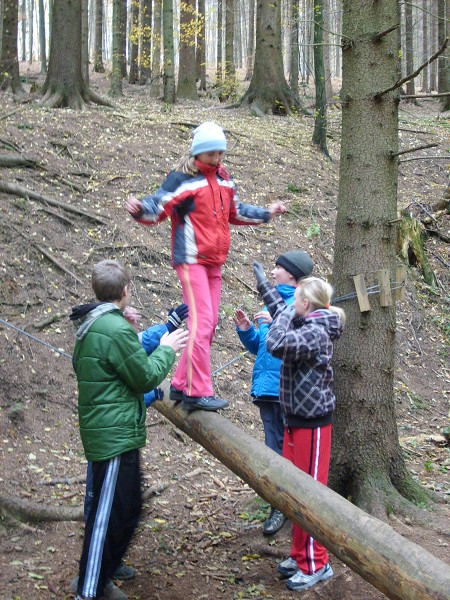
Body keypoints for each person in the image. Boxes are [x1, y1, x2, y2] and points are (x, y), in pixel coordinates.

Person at [125, 121, 286, 413]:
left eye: (220, 153)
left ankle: (179, 383)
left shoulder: (223, 179)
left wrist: (266, 213)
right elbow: (158, 205)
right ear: (198, 153)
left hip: (214, 262)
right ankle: (196, 390)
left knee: (208, 324)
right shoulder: (184, 179)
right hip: (191, 260)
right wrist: (140, 209)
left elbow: (236, 212)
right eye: (211, 154)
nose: (217, 159)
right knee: (201, 322)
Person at [70, 260, 188, 600]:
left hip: (119, 431)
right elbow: (144, 375)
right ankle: (89, 589)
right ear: (125, 291)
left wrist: (162, 328)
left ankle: (107, 569)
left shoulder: (103, 323)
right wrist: (168, 348)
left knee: (129, 507)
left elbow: (124, 361)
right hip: (112, 437)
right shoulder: (110, 328)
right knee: (107, 517)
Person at [253, 264, 345, 593]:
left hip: (312, 423)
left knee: (310, 496)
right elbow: (282, 311)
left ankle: (317, 563)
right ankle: (300, 555)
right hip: (296, 419)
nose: (293, 305)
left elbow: (277, 341)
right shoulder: (306, 319)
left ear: (306, 303)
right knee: (295, 491)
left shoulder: (317, 331)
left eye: (297, 300)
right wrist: (265, 285)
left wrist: (279, 315)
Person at [233, 250, 313, 535]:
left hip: (287, 390)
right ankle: (278, 504)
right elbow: (264, 348)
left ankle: (287, 508)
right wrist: (248, 332)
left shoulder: (300, 304)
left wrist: (275, 318)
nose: (274, 270)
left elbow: (295, 344)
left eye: (278, 267)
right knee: (273, 449)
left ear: (292, 274)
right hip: (267, 390)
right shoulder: (275, 306)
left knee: (288, 452)